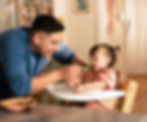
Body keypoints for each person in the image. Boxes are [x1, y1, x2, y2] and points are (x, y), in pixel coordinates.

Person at [0, 15, 85, 100]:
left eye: (59, 43)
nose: (57, 48)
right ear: (37, 39)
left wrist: (89, 66)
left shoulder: (47, 42)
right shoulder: (13, 43)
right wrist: (61, 73)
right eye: (54, 43)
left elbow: (69, 56)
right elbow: (20, 87)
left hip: (13, 96)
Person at [75, 44, 118, 110]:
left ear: (107, 60)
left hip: (102, 104)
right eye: (91, 58)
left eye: (95, 58)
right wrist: (78, 79)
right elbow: (80, 78)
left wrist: (84, 87)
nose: (92, 62)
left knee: (89, 107)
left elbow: (102, 84)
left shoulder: (108, 73)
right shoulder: (91, 71)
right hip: (86, 100)